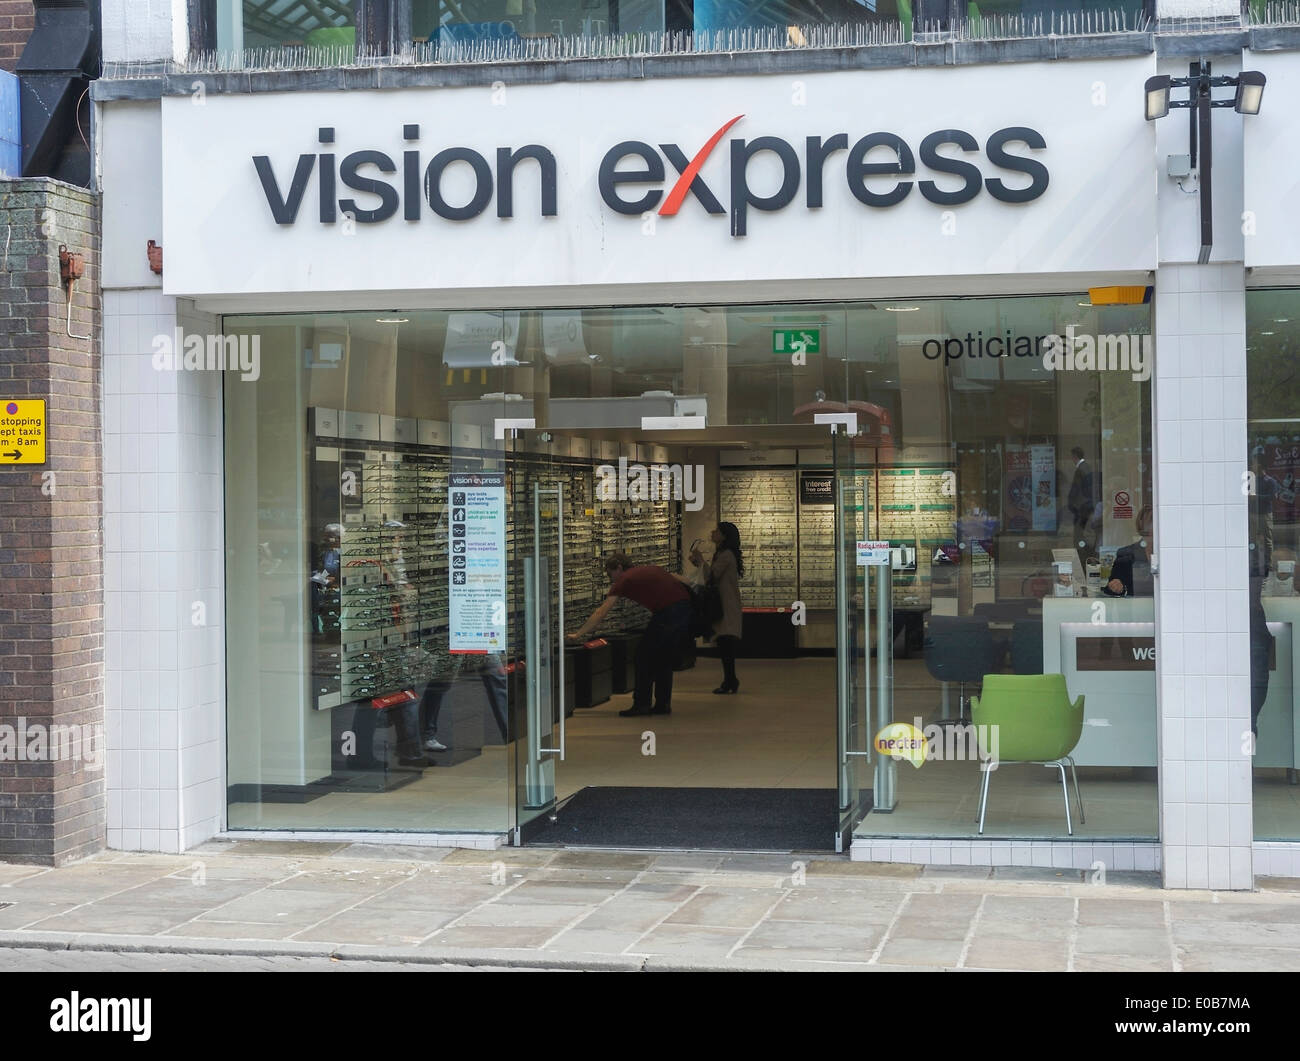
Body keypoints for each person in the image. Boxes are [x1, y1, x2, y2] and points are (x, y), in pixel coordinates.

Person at [568, 552, 691, 717]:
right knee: (663, 658)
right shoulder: (647, 569)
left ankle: (642, 704)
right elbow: (682, 580)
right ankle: (663, 703)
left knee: (643, 656)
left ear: (619, 568)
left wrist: (579, 634)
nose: (611, 579)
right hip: (683, 609)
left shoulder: (624, 580)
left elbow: (601, 612)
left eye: (610, 574)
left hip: (668, 612)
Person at [690, 522, 744, 694]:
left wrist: (700, 562)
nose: (713, 533)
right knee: (725, 646)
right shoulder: (723, 554)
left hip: (725, 606)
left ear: (724, 536)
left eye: (717, 531)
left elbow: (711, 577)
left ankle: (730, 681)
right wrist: (700, 564)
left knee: (726, 645)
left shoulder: (726, 555)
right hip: (725, 604)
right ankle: (730, 680)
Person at [1102, 505, 1154, 597]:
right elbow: (1109, 589)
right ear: (1141, 525)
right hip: (1134, 608)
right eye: (1150, 522)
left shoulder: (1172, 554)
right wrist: (1117, 587)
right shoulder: (1126, 554)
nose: (1152, 527)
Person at [1067, 446, 1095, 552]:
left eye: (1071, 457)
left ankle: (1081, 552)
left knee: (1078, 531)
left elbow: (1077, 489)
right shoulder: (1086, 467)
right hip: (1086, 505)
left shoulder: (1081, 469)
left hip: (1081, 506)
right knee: (1081, 531)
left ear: (1075, 456)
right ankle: (1083, 550)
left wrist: (1071, 503)